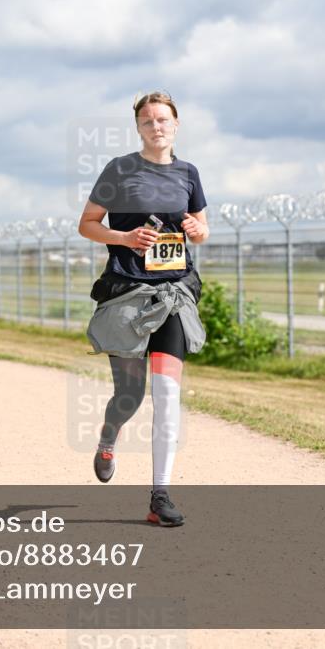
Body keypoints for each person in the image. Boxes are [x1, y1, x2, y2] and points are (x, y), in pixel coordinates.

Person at [78, 91, 210, 527]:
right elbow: (88, 224)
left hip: (173, 293)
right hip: (128, 295)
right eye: (148, 120)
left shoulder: (189, 173)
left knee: (168, 395)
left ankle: (160, 496)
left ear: (176, 125)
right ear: (138, 127)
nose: (157, 126)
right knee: (130, 396)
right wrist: (127, 238)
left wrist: (195, 228)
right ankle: (108, 435)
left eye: (164, 120)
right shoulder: (119, 169)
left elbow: (202, 228)